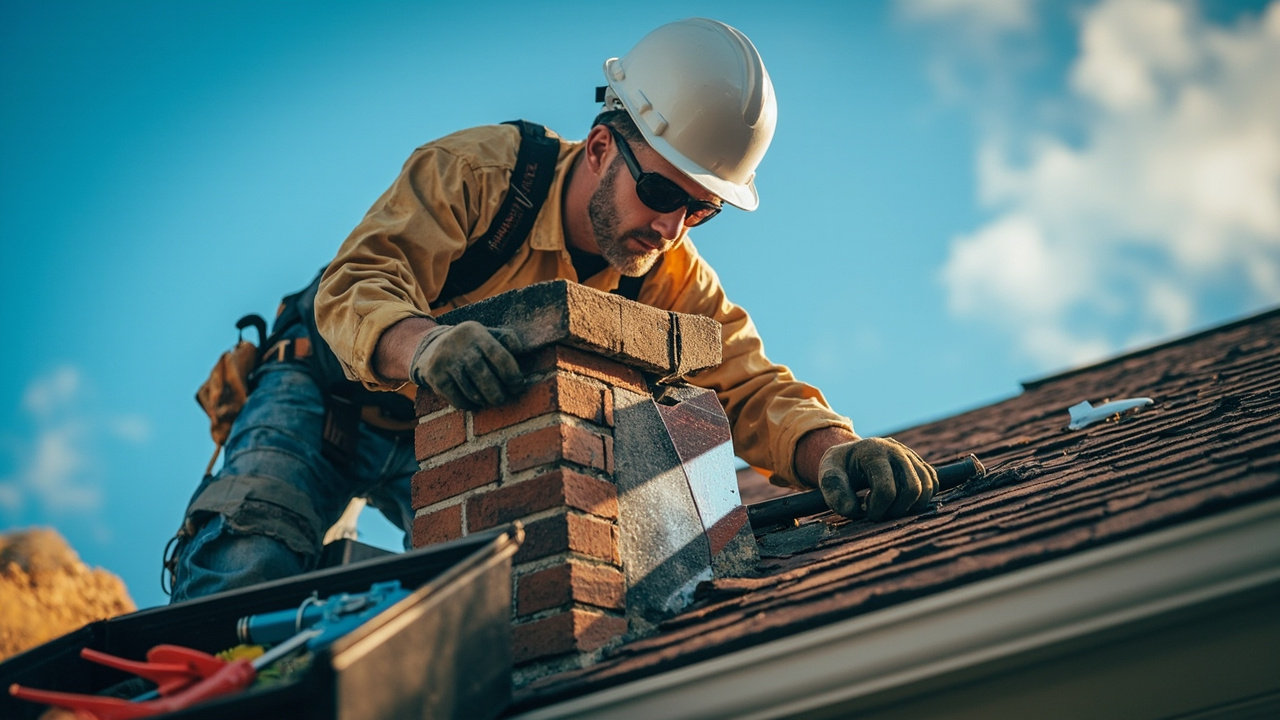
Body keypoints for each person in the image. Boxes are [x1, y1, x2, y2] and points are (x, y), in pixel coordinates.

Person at [167, 18, 938, 603]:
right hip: (325, 404)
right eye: (663, 194)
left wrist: (834, 450)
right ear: (603, 147)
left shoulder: (666, 271)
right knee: (248, 572)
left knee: (499, 604)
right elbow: (357, 282)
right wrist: (424, 346)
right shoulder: (477, 174)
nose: (670, 228)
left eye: (700, 212)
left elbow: (750, 387)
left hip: (454, 437)